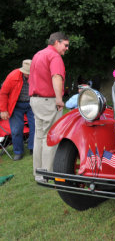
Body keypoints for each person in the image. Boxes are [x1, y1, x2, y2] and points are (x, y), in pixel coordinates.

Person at [29, 32, 69, 182]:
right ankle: (48, 173)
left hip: (35, 100)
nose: (66, 49)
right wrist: (59, 99)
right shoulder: (54, 56)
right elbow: (57, 77)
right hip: (48, 101)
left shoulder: (38, 54)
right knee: (50, 137)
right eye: (65, 45)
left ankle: (38, 173)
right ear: (57, 42)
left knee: (39, 137)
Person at [0, 60, 35, 161]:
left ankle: (33, 148)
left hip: (32, 104)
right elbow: (3, 93)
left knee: (35, 127)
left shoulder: (37, 75)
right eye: (27, 73)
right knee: (16, 129)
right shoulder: (12, 76)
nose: (29, 75)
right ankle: (18, 152)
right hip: (16, 105)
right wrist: (3, 110)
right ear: (23, 71)